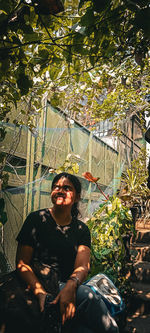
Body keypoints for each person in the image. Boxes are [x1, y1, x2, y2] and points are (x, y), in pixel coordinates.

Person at [14, 172, 119, 332]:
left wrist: (71, 286)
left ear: (77, 197)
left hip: (69, 286)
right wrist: (40, 292)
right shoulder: (36, 219)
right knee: (89, 297)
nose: (60, 190)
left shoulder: (81, 229)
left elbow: (83, 266)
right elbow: (22, 263)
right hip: (40, 282)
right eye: (56, 187)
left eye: (67, 188)